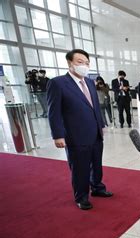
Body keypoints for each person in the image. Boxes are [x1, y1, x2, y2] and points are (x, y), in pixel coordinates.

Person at [47, 49, 113, 211]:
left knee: (96, 164)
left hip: (95, 133)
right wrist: (58, 135)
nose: (84, 65)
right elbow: (53, 111)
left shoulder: (90, 82)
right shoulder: (58, 83)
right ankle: (81, 196)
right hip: (75, 135)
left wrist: (101, 125)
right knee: (80, 167)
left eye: (87, 62)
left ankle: (97, 188)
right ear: (70, 63)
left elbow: (95, 107)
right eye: (80, 62)